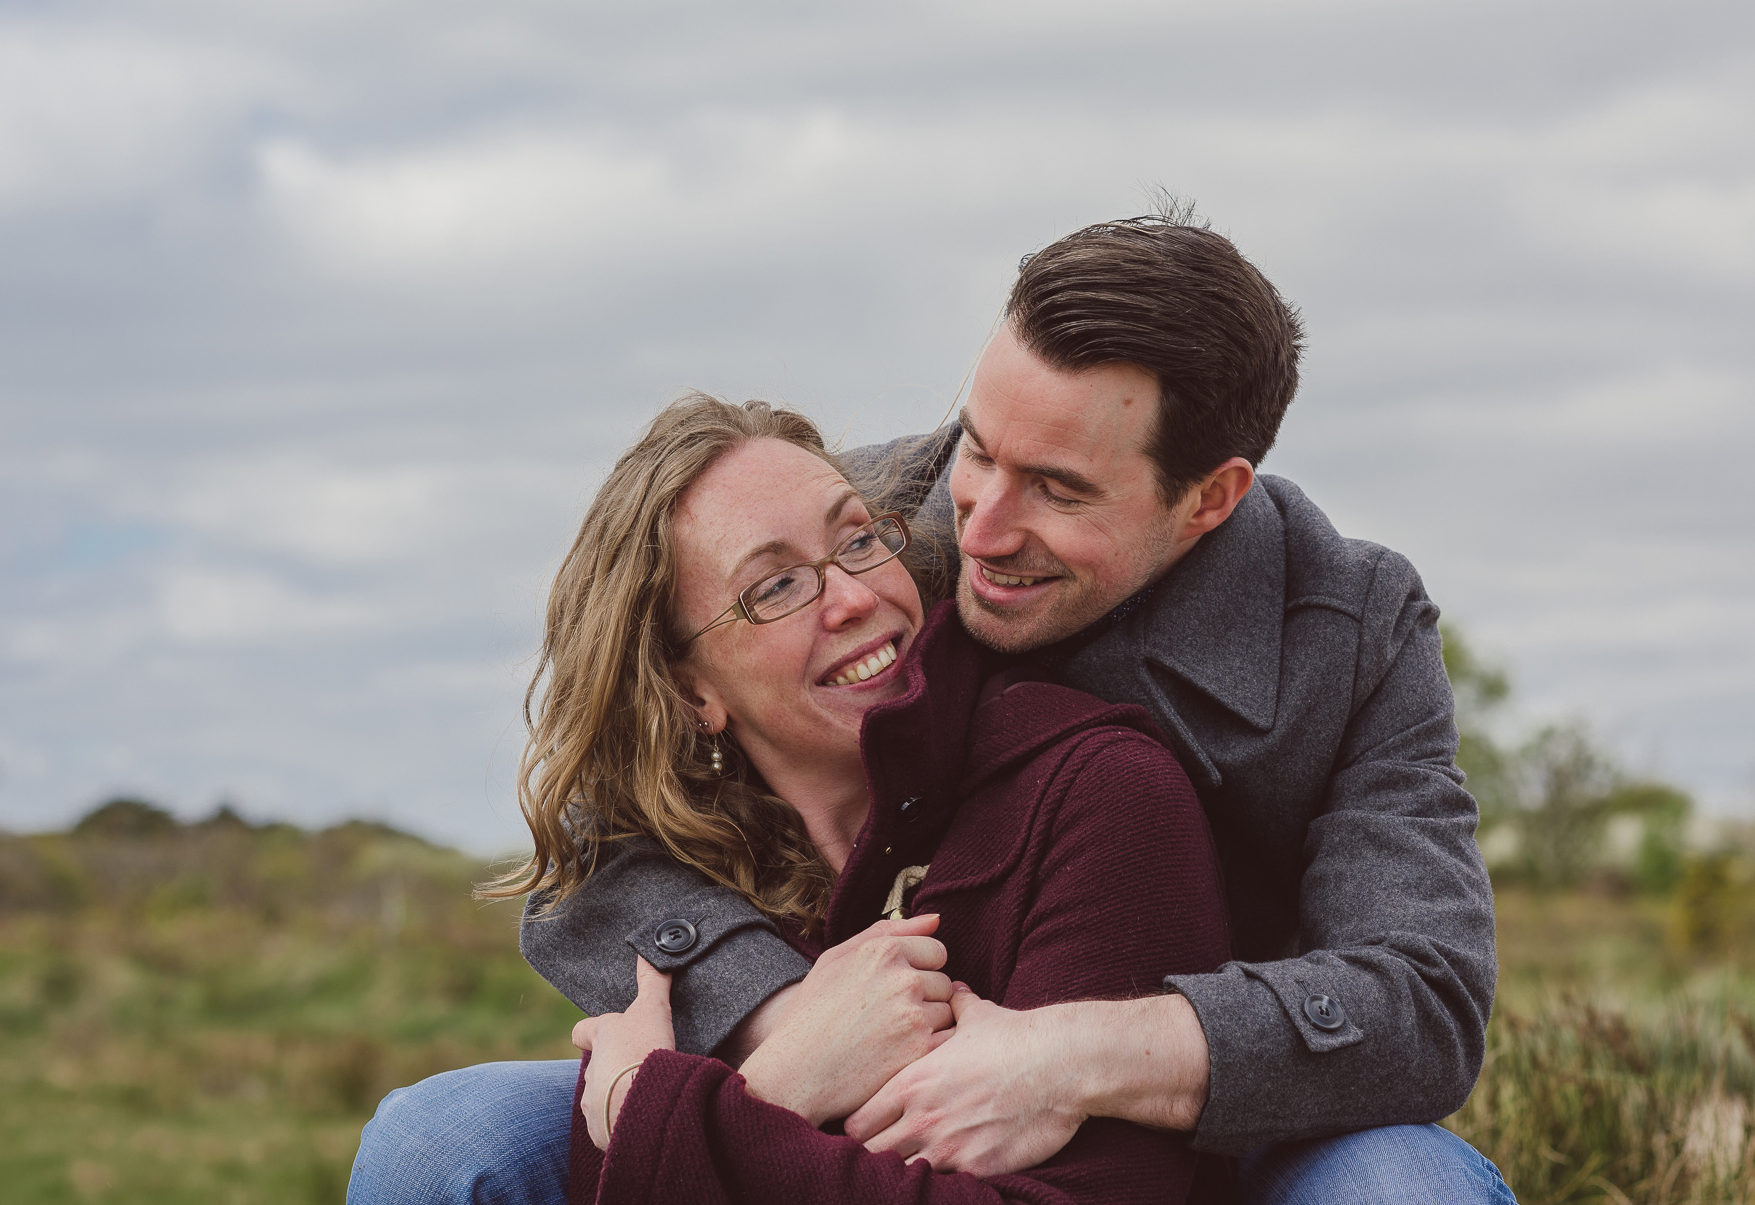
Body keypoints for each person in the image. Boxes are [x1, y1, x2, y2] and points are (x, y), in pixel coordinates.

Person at [354, 209, 1516, 1205]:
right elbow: (601, 828)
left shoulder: (1349, 627)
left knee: (1402, 1190)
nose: (979, 527)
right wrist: (787, 1032)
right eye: (979, 444)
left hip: (1219, 1131)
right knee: (440, 1147)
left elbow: (1420, 998)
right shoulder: (869, 522)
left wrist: (1071, 1057)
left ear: (1207, 500)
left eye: (1057, 489)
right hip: (857, 1087)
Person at [350, 393, 1233, 1204]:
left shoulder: (1099, 790)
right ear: (693, 692)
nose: (855, 597)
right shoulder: (681, 882)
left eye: (856, 539)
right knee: (435, 1140)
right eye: (773, 585)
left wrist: (655, 1112)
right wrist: (792, 1074)